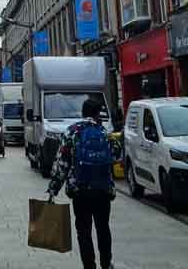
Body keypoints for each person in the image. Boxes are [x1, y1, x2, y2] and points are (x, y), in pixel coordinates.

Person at [47, 99, 121, 269]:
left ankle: (89, 265)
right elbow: (116, 155)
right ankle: (106, 263)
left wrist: (53, 188)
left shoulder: (72, 131)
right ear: (97, 114)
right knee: (103, 228)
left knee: (83, 231)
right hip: (103, 189)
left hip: (80, 189)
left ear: (83, 112)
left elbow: (62, 162)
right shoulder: (104, 131)